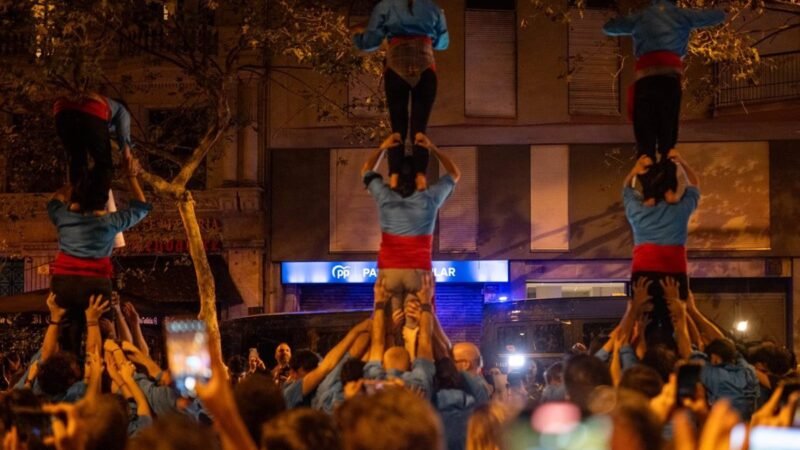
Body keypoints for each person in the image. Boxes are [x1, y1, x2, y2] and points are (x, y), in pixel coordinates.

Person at [361, 134, 460, 343]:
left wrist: (382, 147)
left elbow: (366, 171)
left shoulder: (386, 198)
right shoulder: (429, 198)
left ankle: (390, 361)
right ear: (419, 179)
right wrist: (433, 146)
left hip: (390, 271)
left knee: (389, 324)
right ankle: (416, 360)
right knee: (415, 326)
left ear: (394, 177)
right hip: (418, 270)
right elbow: (454, 173)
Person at [48, 155, 151, 354]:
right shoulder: (110, 222)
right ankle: (102, 374)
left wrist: (74, 186)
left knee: (68, 341)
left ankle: (69, 374)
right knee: (105, 338)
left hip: (65, 284)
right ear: (103, 200)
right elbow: (141, 207)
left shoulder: (62, 215)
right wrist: (131, 177)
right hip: (96, 284)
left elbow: (55, 200)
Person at [602, 0, 725, 162]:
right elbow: (716, 16)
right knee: (668, 132)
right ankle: (667, 161)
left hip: (645, 78)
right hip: (670, 77)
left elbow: (609, 28)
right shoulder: (682, 15)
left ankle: (647, 164)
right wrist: (721, 12)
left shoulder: (641, 16)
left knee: (645, 138)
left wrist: (616, 21)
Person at [353, 0, 449, 191]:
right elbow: (443, 43)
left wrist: (357, 35)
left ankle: (395, 179)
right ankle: (421, 179)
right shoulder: (434, 9)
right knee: (419, 131)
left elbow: (370, 42)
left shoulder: (384, 7)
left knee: (397, 129)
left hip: (396, 67)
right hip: (425, 67)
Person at [622, 150, 700, 343]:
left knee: (642, 321)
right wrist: (681, 161)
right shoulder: (680, 211)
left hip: (644, 272)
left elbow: (626, 188)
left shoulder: (637, 212)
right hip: (673, 272)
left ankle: (640, 347)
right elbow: (695, 184)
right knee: (677, 320)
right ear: (669, 191)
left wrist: (635, 170)